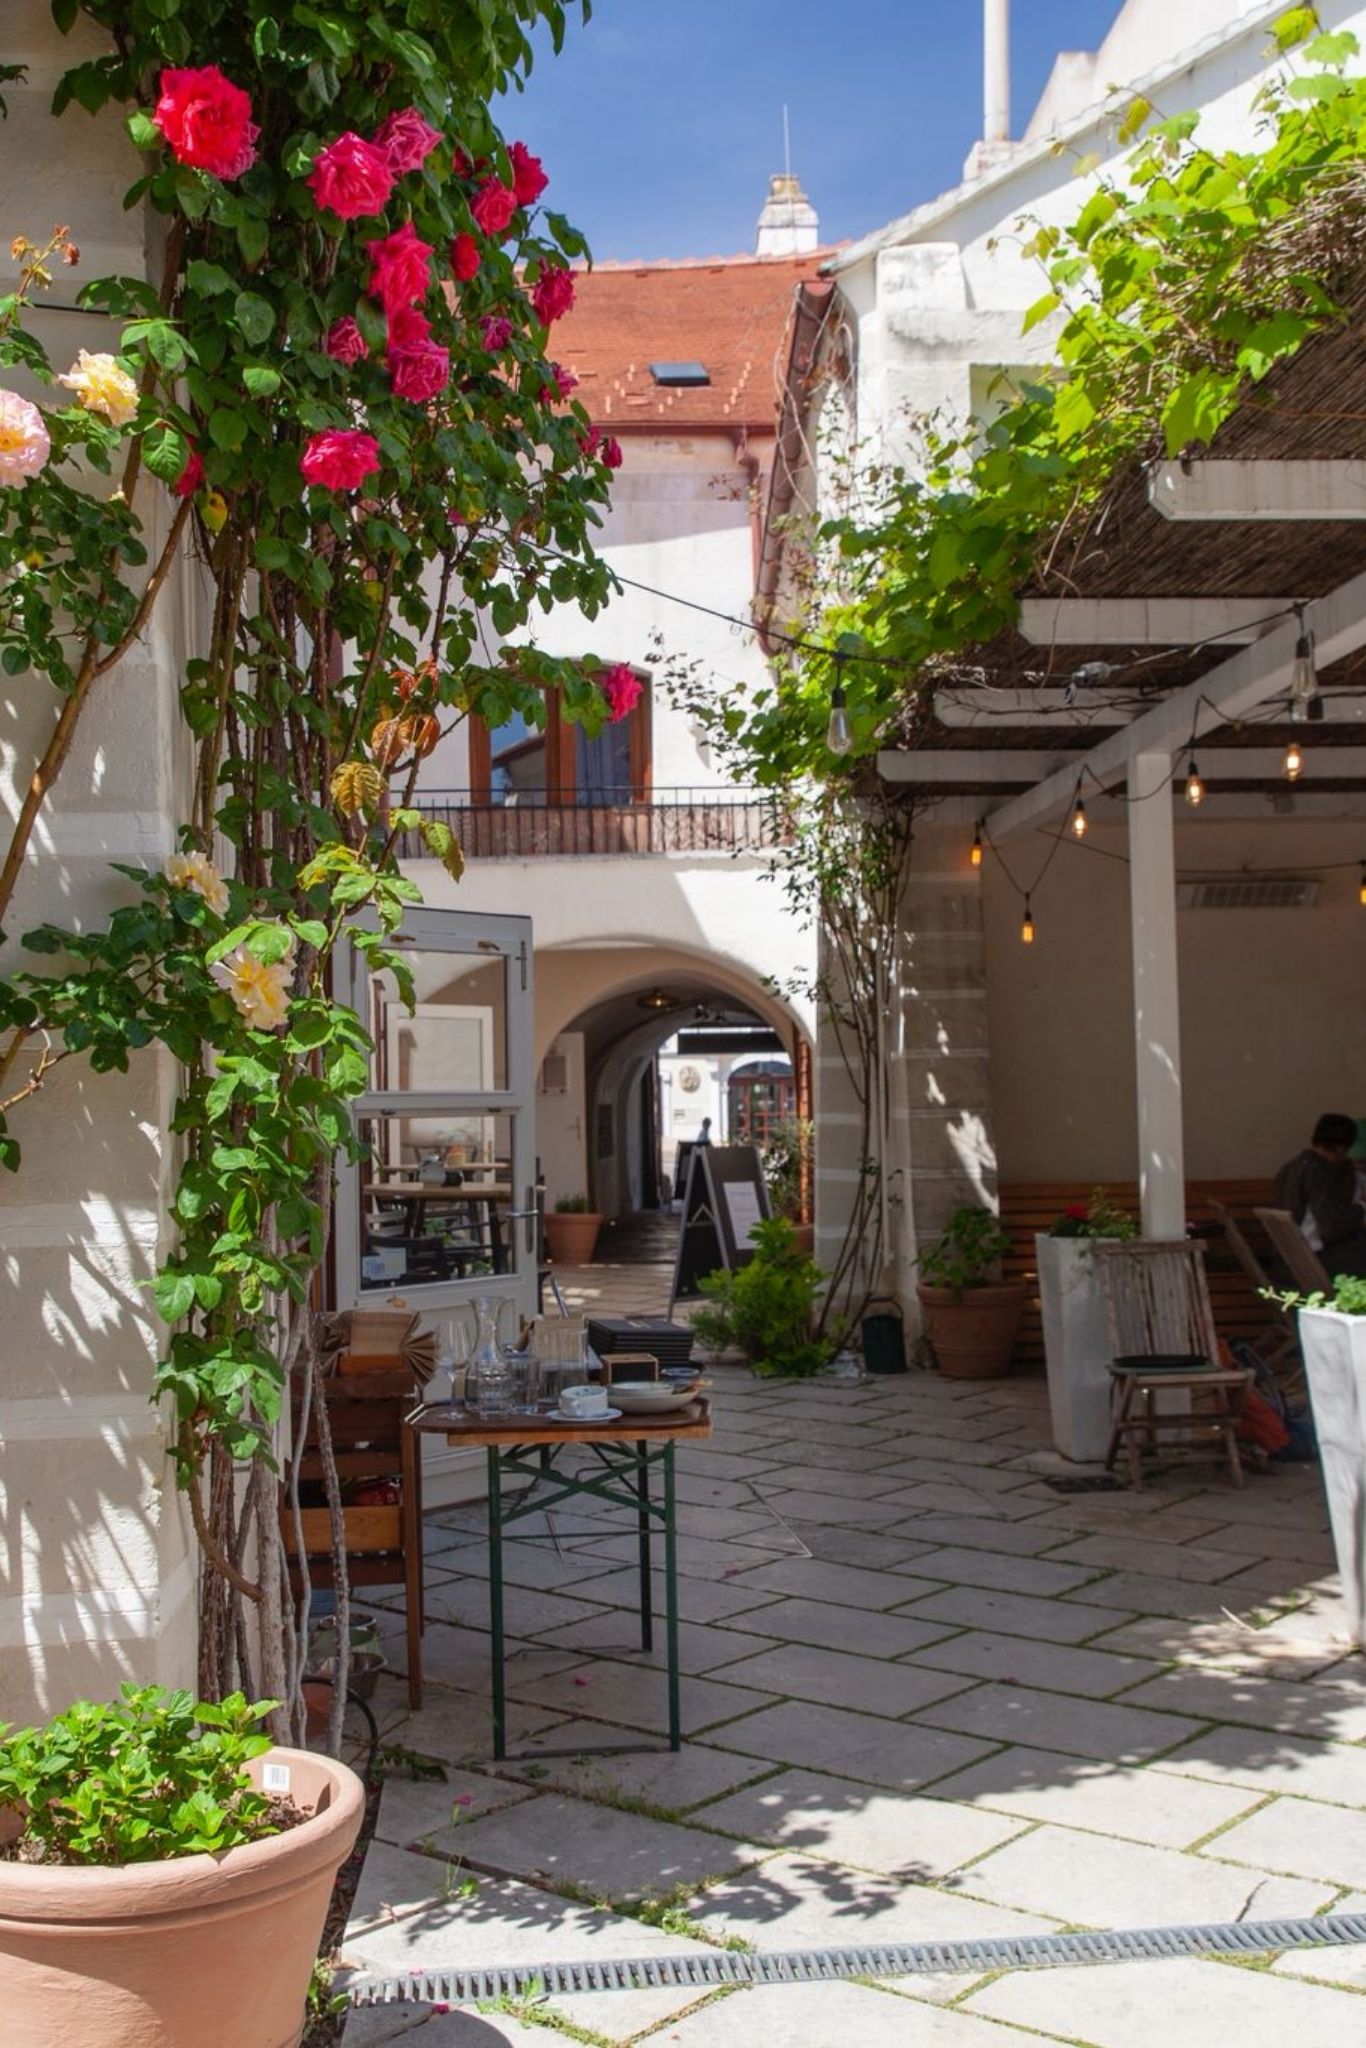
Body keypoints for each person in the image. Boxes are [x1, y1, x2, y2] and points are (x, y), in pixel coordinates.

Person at [1273, 1112, 1366, 1278]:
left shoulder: (1290, 1168)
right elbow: (1331, 1229)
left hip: (1287, 1260)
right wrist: (1361, 1208)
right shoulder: (1320, 1173)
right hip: (1312, 1260)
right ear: (1341, 1148)